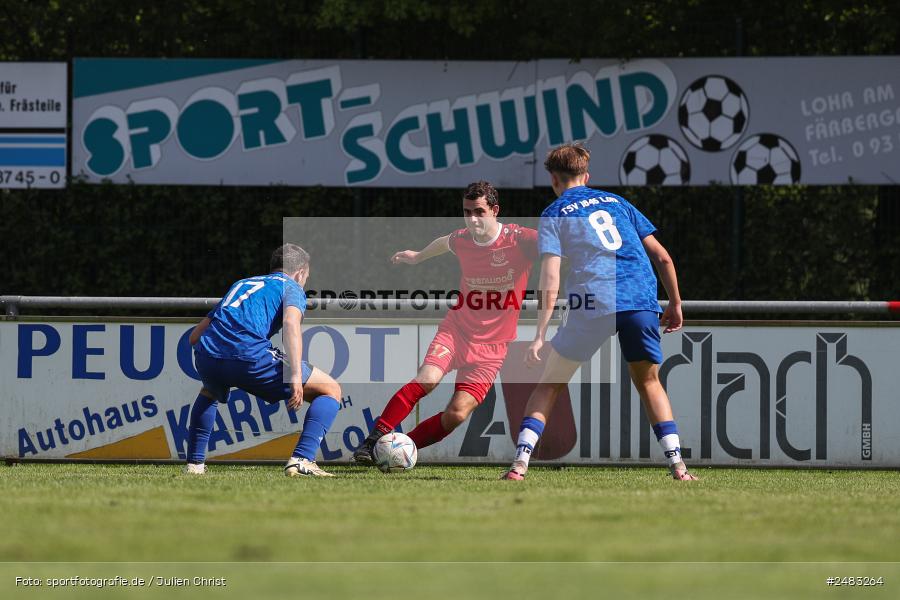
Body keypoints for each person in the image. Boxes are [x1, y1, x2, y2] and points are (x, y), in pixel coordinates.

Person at [502, 144, 698, 481]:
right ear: (586, 177)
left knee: (550, 384)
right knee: (649, 382)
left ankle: (520, 465)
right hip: (639, 297)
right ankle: (678, 466)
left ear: (553, 179)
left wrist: (539, 334)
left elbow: (551, 275)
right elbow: (663, 257)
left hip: (592, 301)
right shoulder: (618, 203)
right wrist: (676, 303)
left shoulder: (554, 213)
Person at [353, 181, 538, 464]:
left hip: (492, 348)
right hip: (457, 331)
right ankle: (374, 440)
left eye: (479, 212)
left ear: (495, 210)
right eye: (467, 212)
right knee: (427, 379)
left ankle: (400, 447)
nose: (472, 219)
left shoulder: (520, 239)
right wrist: (417, 257)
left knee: (457, 414)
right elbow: (443, 243)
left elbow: (557, 248)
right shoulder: (463, 239)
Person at [184, 243, 342, 477]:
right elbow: (290, 324)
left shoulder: (242, 284)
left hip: (207, 355)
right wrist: (296, 375)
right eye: (306, 277)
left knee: (209, 391)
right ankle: (302, 459)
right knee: (331, 389)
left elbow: (195, 336)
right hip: (248, 355)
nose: (305, 281)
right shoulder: (291, 287)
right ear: (300, 272)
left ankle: (194, 466)